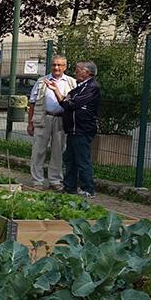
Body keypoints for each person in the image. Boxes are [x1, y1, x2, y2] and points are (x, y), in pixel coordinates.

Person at [46, 60, 100, 198]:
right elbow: (67, 100)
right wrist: (64, 97)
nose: (75, 72)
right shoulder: (79, 87)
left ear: (87, 72)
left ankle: (88, 188)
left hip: (82, 129)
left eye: (78, 70)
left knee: (82, 160)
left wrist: (58, 92)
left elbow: (71, 103)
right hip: (73, 129)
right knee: (70, 158)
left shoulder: (92, 87)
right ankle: (70, 186)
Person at [26, 54, 76, 190]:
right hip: (43, 118)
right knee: (38, 150)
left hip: (61, 119)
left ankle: (55, 180)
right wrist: (30, 123)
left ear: (65, 67)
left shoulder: (71, 82)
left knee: (58, 150)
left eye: (59, 65)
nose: (56, 67)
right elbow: (32, 103)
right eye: (54, 65)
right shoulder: (42, 81)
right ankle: (38, 180)